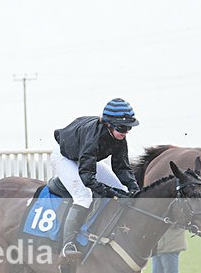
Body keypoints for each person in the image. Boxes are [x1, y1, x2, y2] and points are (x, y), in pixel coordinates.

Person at [52, 98, 141, 263]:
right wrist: (111, 193)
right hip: (65, 157)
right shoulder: (93, 136)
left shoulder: (120, 139)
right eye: (122, 128)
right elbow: (87, 177)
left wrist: (134, 188)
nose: (125, 132)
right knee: (84, 196)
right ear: (108, 124)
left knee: (122, 187)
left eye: (129, 128)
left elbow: (121, 167)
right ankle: (67, 246)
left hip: (84, 157)